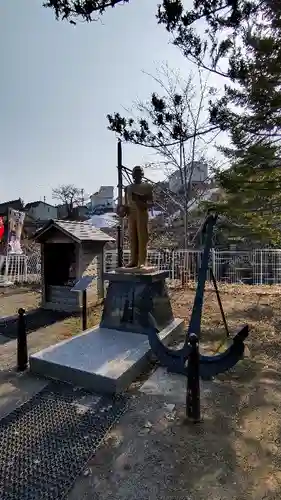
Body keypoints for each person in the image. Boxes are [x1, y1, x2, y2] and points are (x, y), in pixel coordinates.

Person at [118, 165, 153, 268]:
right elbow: (125, 203)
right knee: (132, 238)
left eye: (138, 173)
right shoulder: (128, 188)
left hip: (141, 213)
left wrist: (140, 201)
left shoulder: (147, 187)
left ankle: (142, 261)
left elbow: (151, 204)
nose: (136, 175)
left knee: (142, 237)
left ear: (142, 175)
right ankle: (133, 260)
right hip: (131, 215)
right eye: (135, 173)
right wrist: (122, 209)